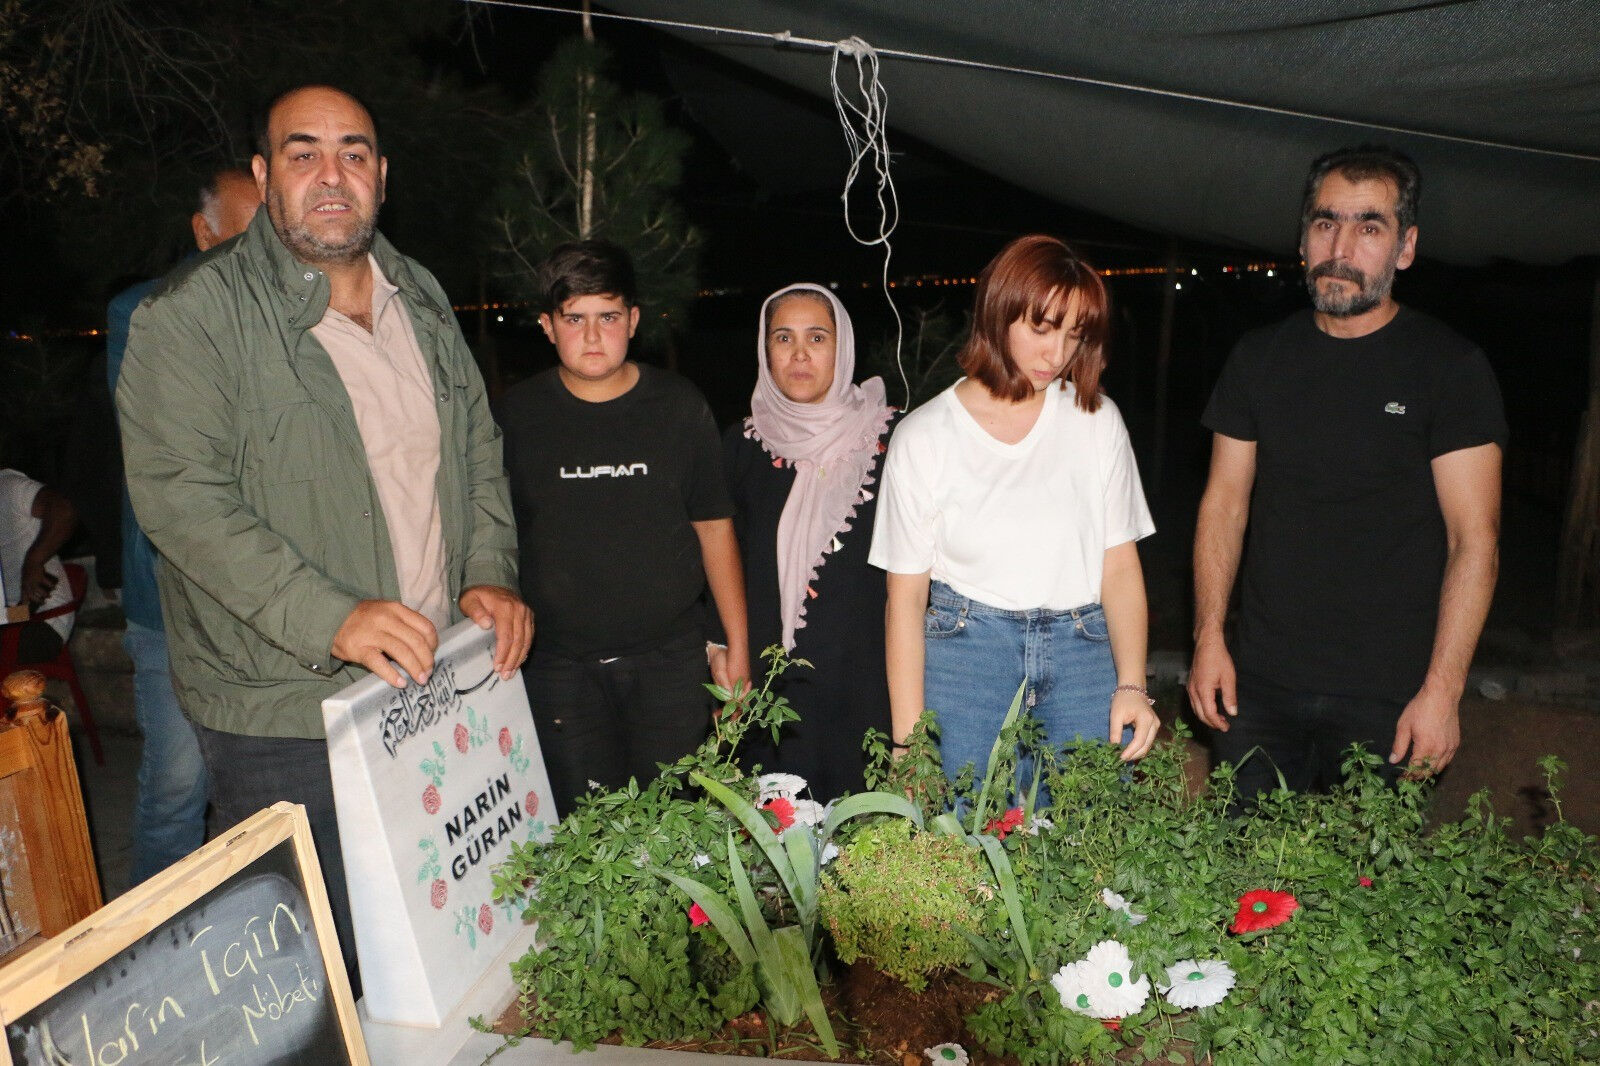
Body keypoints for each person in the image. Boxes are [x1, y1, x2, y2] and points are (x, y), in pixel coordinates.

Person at [116, 86, 530, 986]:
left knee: (441, 949)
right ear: (264, 176)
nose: (331, 175)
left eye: (353, 153)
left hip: (431, 678)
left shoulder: (419, 294)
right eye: (303, 154)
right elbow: (181, 501)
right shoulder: (190, 315)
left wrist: (488, 570)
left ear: (382, 174)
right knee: (322, 971)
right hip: (285, 710)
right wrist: (329, 617)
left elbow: (475, 447)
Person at [1187, 145, 1505, 802]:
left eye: (1369, 227)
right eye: (1326, 223)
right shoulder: (1258, 358)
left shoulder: (1449, 368)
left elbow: (1474, 540)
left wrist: (1442, 692)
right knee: (1242, 861)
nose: (1341, 248)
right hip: (1259, 683)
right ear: (1303, 238)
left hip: (1390, 694)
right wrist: (1208, 637)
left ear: (1405, 247)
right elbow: (1224, 506)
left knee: (1369, 867)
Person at [870, 235, 1160, 796]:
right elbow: (904, 599)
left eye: (1075, 334)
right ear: (998, 312)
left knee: (1089, 831)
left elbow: (1120, 564)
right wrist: (908, 744)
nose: (1058, 354)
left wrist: (1131, 684)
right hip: (967, 654)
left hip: (1083, 651)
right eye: (1042, 328)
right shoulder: (924, 435)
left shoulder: (1097, 419)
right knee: (960, 834)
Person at [497, 240, 748, 818]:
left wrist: (735, 645)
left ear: (633, 321)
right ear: (547, 326)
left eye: (608, 317)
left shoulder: (679, 406)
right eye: (574, 319)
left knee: (673, 826)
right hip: (559, 669)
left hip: (670, 664)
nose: (592, 336)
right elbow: (495, 534)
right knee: (585, 831)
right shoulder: (517, 416)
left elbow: (715, 529)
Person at [107, 167, 259, 887]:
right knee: (177, 789)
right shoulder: (144, 313)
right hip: (172, 604)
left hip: (269, 607)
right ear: (204, 232)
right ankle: (156, 943)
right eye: (249, 231)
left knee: (270, 789)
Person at [722, 284, 896, 801]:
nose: (799, 354)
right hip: (770, 692)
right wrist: (720, 649)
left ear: (842, 348)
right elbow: (719, 558)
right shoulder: (741, 446)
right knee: (776, 831)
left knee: (867, 833)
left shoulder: (891, 441)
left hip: (867, 682)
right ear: (765, 350)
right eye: (784, 338)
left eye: (817, 338)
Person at [0, 469, 77, 662]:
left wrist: (34, 560)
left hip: (42, 616)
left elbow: (63, 509)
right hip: (12, 615)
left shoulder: (8, 487)